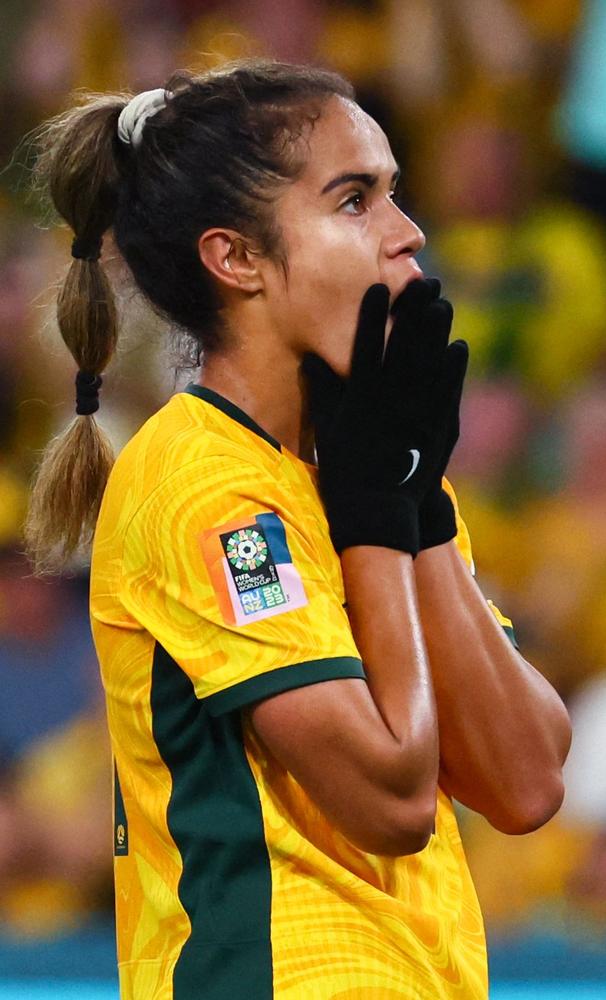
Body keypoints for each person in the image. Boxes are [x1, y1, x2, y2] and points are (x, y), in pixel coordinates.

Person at [25, 60, 571, 999]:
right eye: (355, 200)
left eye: (395, 192)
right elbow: (393, 799)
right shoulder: (199, 481)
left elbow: (525, 781)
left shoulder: (363, 467)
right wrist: (374, 514)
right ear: (235, 257)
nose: (409, 233)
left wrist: (413, 499)